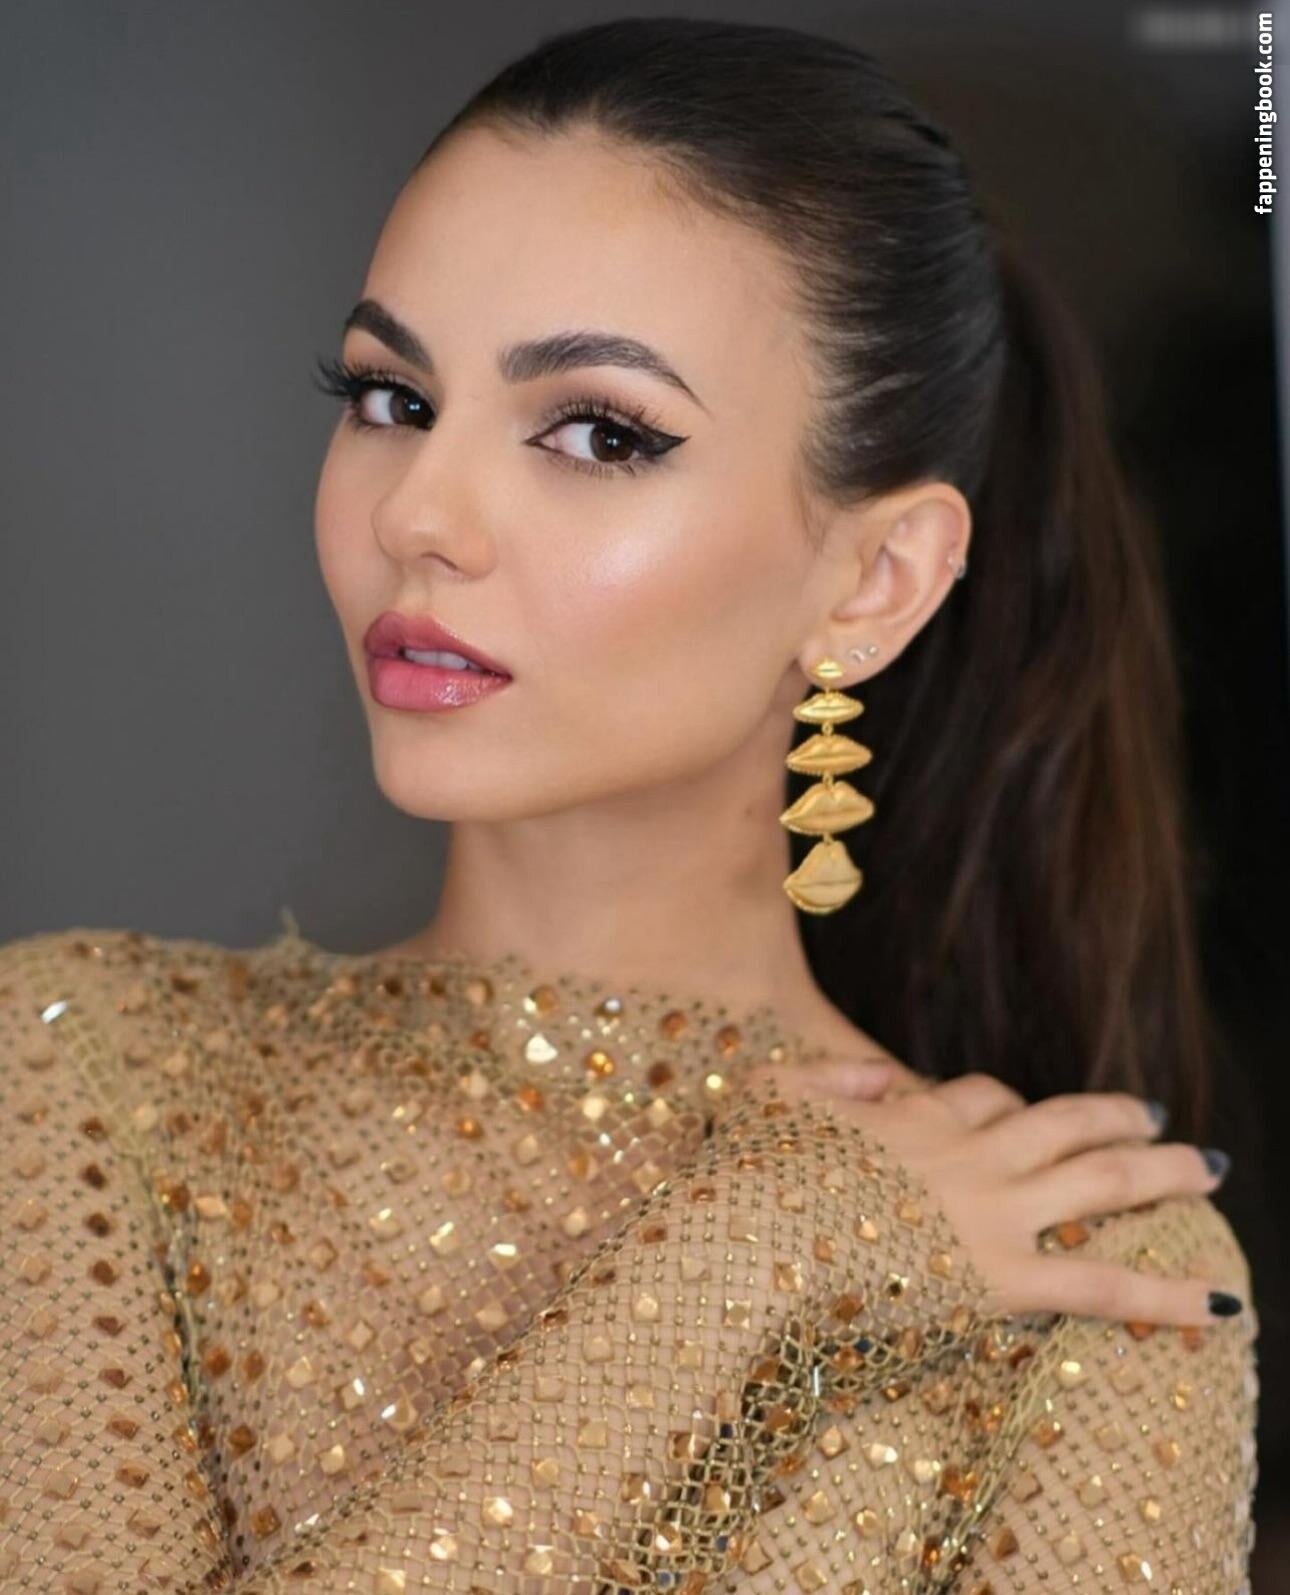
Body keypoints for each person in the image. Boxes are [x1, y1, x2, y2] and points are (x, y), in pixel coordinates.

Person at [0, 16, 1257, 1593]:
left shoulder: (1083, 1272)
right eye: (389, 397)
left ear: (875, 578)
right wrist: (767, 1264)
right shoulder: (85, 1079)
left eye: (598, 432)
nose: (420, 514)